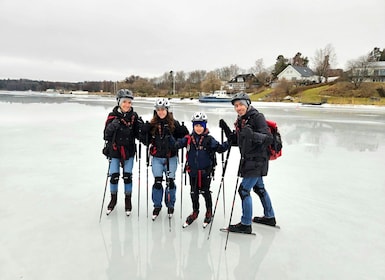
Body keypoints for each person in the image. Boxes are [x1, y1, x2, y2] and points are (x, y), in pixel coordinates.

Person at [219, 92, 276, 234]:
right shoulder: (241, 120)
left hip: (257, 161)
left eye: (241, 105)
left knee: (244, 190)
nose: (238, 108)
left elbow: (268, 139)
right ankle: (269, 217)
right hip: (249, 161)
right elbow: (237, 140)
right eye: (236, 106)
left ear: (247, 104)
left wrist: (252, 135)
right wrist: (226, 129)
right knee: (259, 188)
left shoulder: (257, 117)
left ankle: (245, 224)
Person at [175, 112, 229, 228]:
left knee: (205, 192)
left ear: (204, 126)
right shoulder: (188, 139)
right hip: (192, 171)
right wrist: (171, 135)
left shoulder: (209, 140)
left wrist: (229, 141)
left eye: (201, 125)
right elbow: (176, 145)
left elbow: (220, 149)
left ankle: (209, 211)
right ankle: (195, 212)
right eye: (196, 125)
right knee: (194, 193)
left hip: (205, 172)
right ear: (193, 126)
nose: (198, 128)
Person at [140, 98, 189, 220]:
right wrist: (144, 131)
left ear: (167, 110)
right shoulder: (153, 124)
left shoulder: (174, 124)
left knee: (170, 182)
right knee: (157, 182)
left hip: (171, 157)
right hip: (156, 158)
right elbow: (144, 140)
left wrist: (182, 134)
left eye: (163, 109)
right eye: (158, 110)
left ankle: (170, 205)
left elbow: (185, 139)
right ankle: (157, 206)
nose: (161, 112)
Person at [103, 89, 143, 216]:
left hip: (129, 151)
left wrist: (143, 129)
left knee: (127, 177)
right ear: (119, 102)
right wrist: (112, 126)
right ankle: (113, 200)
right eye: (124, 102)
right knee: (114, 177)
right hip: (114, 151)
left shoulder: (134, 117)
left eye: (129, 102)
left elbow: (139, 135)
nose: (127, 105)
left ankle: (128, 201)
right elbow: (105, 135)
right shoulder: (112, 116)